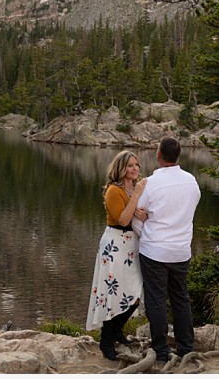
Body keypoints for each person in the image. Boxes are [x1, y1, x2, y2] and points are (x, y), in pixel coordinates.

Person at [132, 136, 201, 362]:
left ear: (158, 155)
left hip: (155, 252)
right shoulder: (191, 181)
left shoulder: (151, 184)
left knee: (157, 300)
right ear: (177, 156)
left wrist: (149, 231)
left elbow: (136, 218)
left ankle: (161, 350)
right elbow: (188, 211)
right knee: (180, 298)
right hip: (181, 250)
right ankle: (186, 347)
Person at [86, 150, 147, 360]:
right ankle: (106, 341)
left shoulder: (136, 188)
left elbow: (143, 214)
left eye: (137, 165)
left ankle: (117, 329)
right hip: (115, 245)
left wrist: (145, 214)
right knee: (114, 294)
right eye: (130, 165)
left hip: (133, 245)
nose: (135, 169)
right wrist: (137, 196)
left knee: (136, 293)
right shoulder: (114, 190)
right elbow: (122, 220)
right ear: (121, 168)